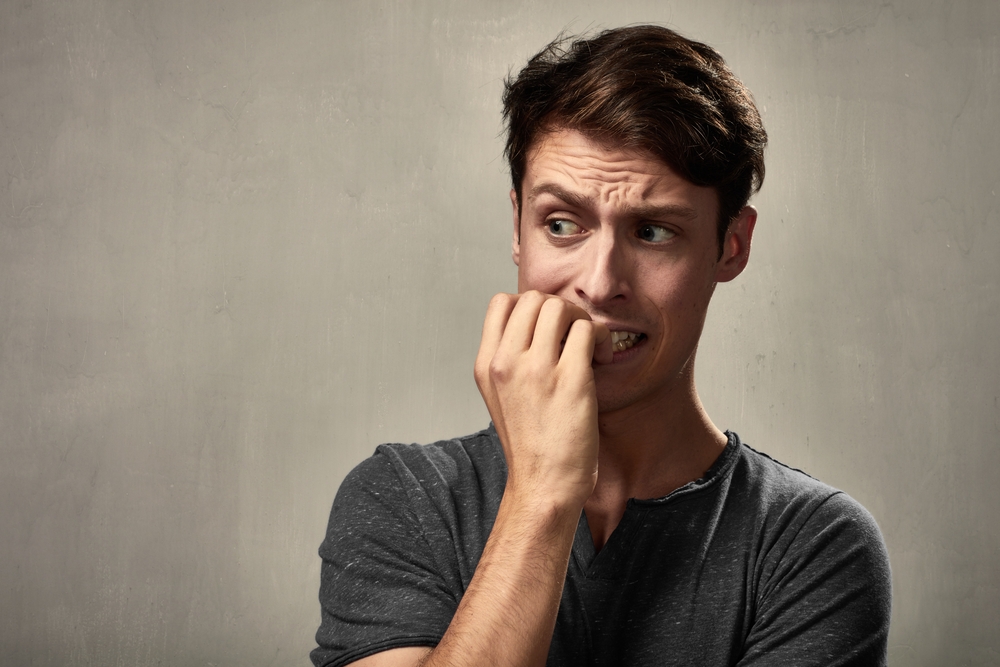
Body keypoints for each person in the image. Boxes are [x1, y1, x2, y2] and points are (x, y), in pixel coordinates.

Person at [311, 24, 892, 667]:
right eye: (561, 224)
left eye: (653, 231)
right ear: (518, 229)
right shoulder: (402, 499)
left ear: (732, 246)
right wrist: (542, 495)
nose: (599, 282)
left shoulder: (814, 545)